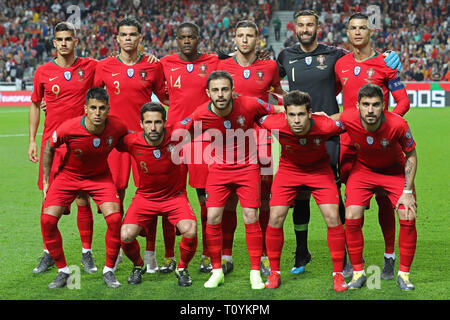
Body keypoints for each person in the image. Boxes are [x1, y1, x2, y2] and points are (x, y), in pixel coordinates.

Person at [276, 9, 402, 275]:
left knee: (341, 195)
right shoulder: (286, 56)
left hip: (333, 134)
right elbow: (266, 77)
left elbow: (367, 65)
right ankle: (302, 252)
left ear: (318, 27)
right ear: (294, 27)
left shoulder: (336, 56)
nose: (305, 28)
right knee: (301, 195)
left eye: (310, 24)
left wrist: (392, 57)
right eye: (301, 25)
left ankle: (351, 255)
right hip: (300, 133)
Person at [175, 70, 285, 289]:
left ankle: (255, 272)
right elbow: (181, 128)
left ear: (232, 91)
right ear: (208, 93)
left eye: (225, 89)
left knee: (250, 216)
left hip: (247, 168)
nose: (220, 94)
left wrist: (307, 113)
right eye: (215, 90)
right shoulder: (201, 113)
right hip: (218, 170)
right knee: (213, 217)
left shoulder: (250, 104)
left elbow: (279, 108)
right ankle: (217, 271)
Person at [334, 12, 410, 280]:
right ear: (348, 32)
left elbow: (403, 102)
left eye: (362, 28)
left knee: (385, 202)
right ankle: (351, 255)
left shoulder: (385, 63)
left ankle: (389, 257)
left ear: (370, 32)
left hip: (379, 144)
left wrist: (388, 127)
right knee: (347, 202)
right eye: (353, 28)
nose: (357, 32)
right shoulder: (340, 64)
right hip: (348, 144)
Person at [93, 18, 171, 274]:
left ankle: (149, 254)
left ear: (140, 37)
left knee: (150, 196)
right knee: (115, 200)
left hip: (144, 143)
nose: (128, 38)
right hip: (114, 144)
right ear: (117, 38)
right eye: (123, 34)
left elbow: (169, 98)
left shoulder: (153, 66)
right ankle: (115, 253)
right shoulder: (104, 66)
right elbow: (93, 101)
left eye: (133, 34)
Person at [40, 87, 128, 289]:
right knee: (47, 220)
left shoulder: (117, 127)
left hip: (100, 177)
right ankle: (62, 270)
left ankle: (109, 270)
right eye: (93, 108)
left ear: (108, 109)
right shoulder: (69, 127)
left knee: (115, 218)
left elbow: (131, 142)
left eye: (102, 108)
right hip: (68, 177)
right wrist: (46, 180)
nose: (98, 113)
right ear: (85, 109)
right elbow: (49, 147)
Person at [332, 84, 418, 291]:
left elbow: (411, 156)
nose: (370, 110)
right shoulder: (348, 118)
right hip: (364, 170)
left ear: (383, 106)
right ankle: (359, 272)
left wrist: (407, 192)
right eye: (366, 104)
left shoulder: (398, 124)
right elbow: (327, 121)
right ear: (358, 106)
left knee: (408, 214)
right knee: (352, 214)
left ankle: (404, 275)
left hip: (394, 170)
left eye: (376, 105)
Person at [28, 21, 97, 274]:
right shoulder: (43, 72)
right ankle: (49, 253)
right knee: (48, 200)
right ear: (54, 43)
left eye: (69, 38)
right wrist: (33, 140)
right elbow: (35, 104)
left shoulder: (91, 67)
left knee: (82, 197)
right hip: (52, 147)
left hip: (80, 145)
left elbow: (118, 67)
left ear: (76, 41)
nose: (64, 43)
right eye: (60, 39)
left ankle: (86, 253)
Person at [217, 20, 285, 276]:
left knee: (265, 197)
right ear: (234, 38)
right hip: (230, 137)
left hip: (263, 137)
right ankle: (226, 254)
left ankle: (266, 255)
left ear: (258, 39)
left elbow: (277, 92)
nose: (244, 40)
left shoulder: (269, 66)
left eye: (249, 35)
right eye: (240, 35)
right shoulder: (221, 65)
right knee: (230, 197)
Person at [260, 90, 347, 291]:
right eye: (292, 115)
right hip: (289, 170)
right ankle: (274, 273)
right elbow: (254, 113)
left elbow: (351, 119)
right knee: (275, 217)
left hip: (319, 171)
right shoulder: (273, 123)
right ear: (285, 115)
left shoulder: (325, 126)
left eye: (301, 114)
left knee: (333, 217)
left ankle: (338, 274)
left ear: (310, 113)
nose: (296, 120)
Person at [160, 22, 220, 273]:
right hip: (174, 139)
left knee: (205, 199)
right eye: (182, 37)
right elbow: (151, 89)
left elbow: (238, 63)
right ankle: (168, 255)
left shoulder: (215, 61)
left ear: (198, 39)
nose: (187, 41)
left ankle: (207, 254)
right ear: (176, 40)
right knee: (169, 198)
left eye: (191, 37)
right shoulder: (163, 63)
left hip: (202, 140)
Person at [119, 102, 198, 287]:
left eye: (157, 122)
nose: (153, 127)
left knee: (190, 229)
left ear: (165, 122)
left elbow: (198, 115)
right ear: (141, 124)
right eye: (148, 122)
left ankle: (182, 268)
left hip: (175, 197)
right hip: (145, 198)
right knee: (126, 235)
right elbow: (107, 138)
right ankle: (138, 266)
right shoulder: (131, 141)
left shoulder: (177, 135)